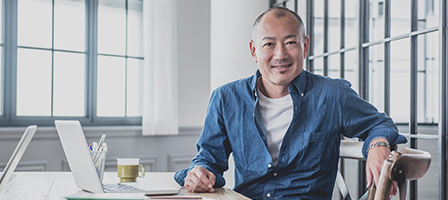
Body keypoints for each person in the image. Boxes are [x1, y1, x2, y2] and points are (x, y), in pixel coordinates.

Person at [174, 6, 407, 199]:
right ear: (254, 51)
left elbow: (381, 125)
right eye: (269, 44)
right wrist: (198, 173)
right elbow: (208, 161)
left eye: (290, 42)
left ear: (304, 46)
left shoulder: (333, 94)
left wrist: (377, 145)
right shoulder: (226, 98)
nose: (280, 55)